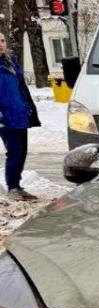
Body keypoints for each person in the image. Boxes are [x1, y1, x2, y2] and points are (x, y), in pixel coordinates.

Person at [0, 32, 41, 201]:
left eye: (2, 40)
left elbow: (22, 88)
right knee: (15, 152)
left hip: (19, 115)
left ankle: (17, 186)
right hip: (4, 118)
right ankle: (12, 188)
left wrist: (28, 107)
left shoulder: (11, 62)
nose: (1, 44)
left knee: (22, 152)